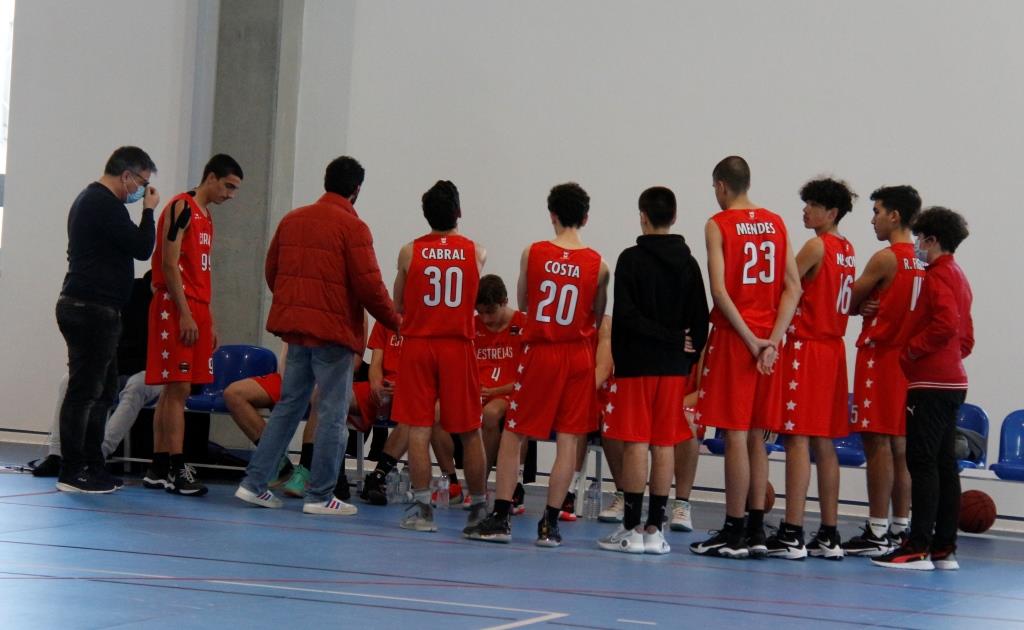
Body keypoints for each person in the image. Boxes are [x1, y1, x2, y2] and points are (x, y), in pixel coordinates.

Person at [235, 155, 400, 516]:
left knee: (288, 407)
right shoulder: (354, 228)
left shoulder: (292, 219)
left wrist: (296, 305)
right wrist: (396, 321)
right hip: (333, 335)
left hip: (296, 331)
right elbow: (370, 287)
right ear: (356, 190)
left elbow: (272, 270)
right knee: (332, 414)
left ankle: (254, 484)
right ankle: (321, 494)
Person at [464, 182, 610, 547]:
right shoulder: (600, 266)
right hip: (577, 354)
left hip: (542, 350)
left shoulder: (533, 253)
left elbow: (525, 303)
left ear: (552, 215)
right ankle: (550, 525)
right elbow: (597, 315)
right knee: (569, 439)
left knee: (515, 433)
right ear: (586, 218)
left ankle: (501, 517)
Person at [689, 156, 801, 559]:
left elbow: (719, 291)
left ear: (721, 186)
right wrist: (772, 341)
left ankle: (733, 530)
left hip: (738, 339)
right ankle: (756, 530)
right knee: (758, 436)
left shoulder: (718, 224)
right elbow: (794, 288)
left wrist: (752, 341)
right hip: (771, 342)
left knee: (735, 434)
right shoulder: (776, 222)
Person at [598, 186, 708, 555]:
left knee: (636, 443)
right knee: (663, 443)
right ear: (674, 217)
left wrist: (664, 339)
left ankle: (631, 528)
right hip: (673, 369)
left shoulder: (630, 260)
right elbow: (701, 321)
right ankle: (655, 531)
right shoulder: (689, 263)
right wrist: (682, 353)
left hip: (636, 366)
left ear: (642, 216)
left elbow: (626, 316)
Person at [873, 206, 973, 571]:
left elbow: (946, 325)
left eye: (919, 238)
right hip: (952, 380)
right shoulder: (959, 275)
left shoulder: (938, 275)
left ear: (932, 239)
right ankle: (944, 547)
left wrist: (913, 351)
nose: (916, 243)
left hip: (930, 382)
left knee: (922, 462)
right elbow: (966, 336)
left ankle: (917, 546)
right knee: (944, 464)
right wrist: (949, 357)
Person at [55, 146, 159, 493]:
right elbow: (142, 247)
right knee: (84, 392)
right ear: (126, 175)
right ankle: (72, 470)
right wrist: (149, 211)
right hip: (90, 309)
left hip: (98, 310)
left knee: (103, 392)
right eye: (142, 183)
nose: (142, 190)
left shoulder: (93, 201)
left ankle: (93, 465)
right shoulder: (103, 203)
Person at [765, 178, 858, 560]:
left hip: (808, 348)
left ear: (831, 212)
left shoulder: (816, 246)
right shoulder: (847, 249)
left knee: (797, 439)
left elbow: (782, 287)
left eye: (812, 205)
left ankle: (792, 530)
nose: (805, 210)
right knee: (824, 441)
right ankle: (830, 533)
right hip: (833, 350)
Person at [390, 180, 489, 532]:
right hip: (457, 345)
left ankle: (422, 511)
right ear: (458, 212)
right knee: (470, 430)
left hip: (419, 345)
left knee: (418, 428)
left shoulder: (409, 251)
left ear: (426, 215)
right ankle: (479, 508)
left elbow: (398, 302)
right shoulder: (476, 251)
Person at [143, 154, 243, 496]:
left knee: (175, 390)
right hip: (176, 305)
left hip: (196, 306)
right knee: (179, 389)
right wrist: (185, 312)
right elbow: (170, 264)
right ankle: (176, 468)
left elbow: (199, 272)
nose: (230, 194)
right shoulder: (181, 207)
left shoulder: (206, 216)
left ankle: (158, 467)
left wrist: (206, 318)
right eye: (228, 186)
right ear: (210, 177)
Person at [842, 185, 925, 557]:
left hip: (880, 357)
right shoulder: (924, 260)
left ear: (894, 215)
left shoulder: (886, 258)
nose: (872, 219)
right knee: (901, 447)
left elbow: (845, 301)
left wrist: (862, 305)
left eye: (876, 211)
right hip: (910, 362)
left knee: (876, 444)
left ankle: (876, 529)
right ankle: (900, 527)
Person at [34, 272, 161, 477]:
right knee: (68, 382)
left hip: (156, 371)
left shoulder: (176, 302)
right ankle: (56, 454)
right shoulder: (130, 291)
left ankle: (99, 453)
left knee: (136, 386)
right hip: (117, 364)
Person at [473, 274, 528, 509]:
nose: (485, 318)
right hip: (479, 392)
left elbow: (528, 377)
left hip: (512, 393)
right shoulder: (472, 325)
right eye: (480, 312)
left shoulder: (524, 324)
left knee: (492, 413)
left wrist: (495, 390)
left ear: (504, 301)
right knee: (436, 412)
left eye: (490, 312)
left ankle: (489, 483)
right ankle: (452, 480)